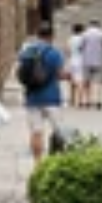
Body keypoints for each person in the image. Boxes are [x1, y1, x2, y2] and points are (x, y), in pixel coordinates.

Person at [18, 23, 67, 161]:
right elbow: (59, 74)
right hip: (51, 97)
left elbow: (21, 71)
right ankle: (58, 161)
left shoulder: (27, 51)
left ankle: (37, 164)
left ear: (37, 34)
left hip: (32, 97)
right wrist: (67, 76)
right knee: (59, 131)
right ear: (51, 36)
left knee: (36, 132)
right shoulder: (54, 53)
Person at [80, 20, 102, 110]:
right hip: (99, 60)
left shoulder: (84, 34)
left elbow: (81, 47)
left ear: (90, 25)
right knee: (98, 82)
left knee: (87, 82)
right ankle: (98, 101)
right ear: (98, 25)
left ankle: (87, 101)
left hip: (87, 61)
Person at [67, 23, 87, 109]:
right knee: (80, 81)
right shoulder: (83, 39)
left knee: (72, 81)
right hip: (80, 60)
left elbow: (67, 50)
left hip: (72, 60)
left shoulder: (70, 39)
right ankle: (80, 100)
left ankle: (72, 99)